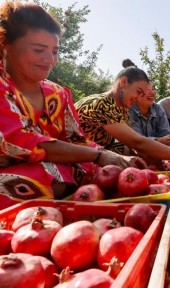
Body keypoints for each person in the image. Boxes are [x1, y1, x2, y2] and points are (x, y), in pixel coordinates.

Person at [0, 2, 146, 205]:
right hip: (15, 176)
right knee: (37, 177)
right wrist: (97, 156)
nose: (49, 60)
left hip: (58, 169)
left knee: (95, 168)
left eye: (54, 51)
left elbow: (77, 140)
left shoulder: (58, 94)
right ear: (6, 44)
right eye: (39, 50)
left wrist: (110, 157)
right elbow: (18, 141)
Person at [75, 61, 170, 177]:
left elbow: (131, 146)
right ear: (123, 82)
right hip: (76, 155)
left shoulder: (122, 109)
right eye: (138, 92)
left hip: (96, 152)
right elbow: (138, 142)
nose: (138, 98)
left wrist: (158, 162)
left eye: (142, 94)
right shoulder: (103, 104)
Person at [129, 78, 170, 147]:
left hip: (157, 151)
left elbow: (166, 137)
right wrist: (159, 141)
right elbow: (136, 141)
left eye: (153, 89)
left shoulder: (158, 109)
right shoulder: (129, 110)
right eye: (148, 89)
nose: (152, 93)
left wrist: (168, 140)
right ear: (137, 92)